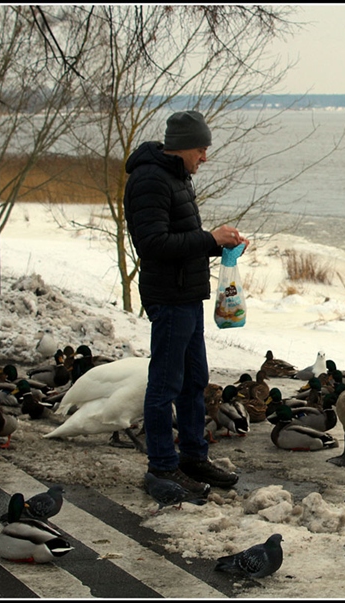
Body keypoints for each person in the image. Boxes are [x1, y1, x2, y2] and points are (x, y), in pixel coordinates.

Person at [124, 110, 248, 496]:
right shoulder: (149, 180)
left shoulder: (178, 178)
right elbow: (153, 245)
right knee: (165, 384)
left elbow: (181, 242)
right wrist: (210, 239)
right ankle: (162, 466)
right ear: (182, 148)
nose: (205, 158)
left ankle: (193, 457)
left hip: (188, 296)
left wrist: (220, 246)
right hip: (168, 298)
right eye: (201, 149)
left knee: (194, 382)